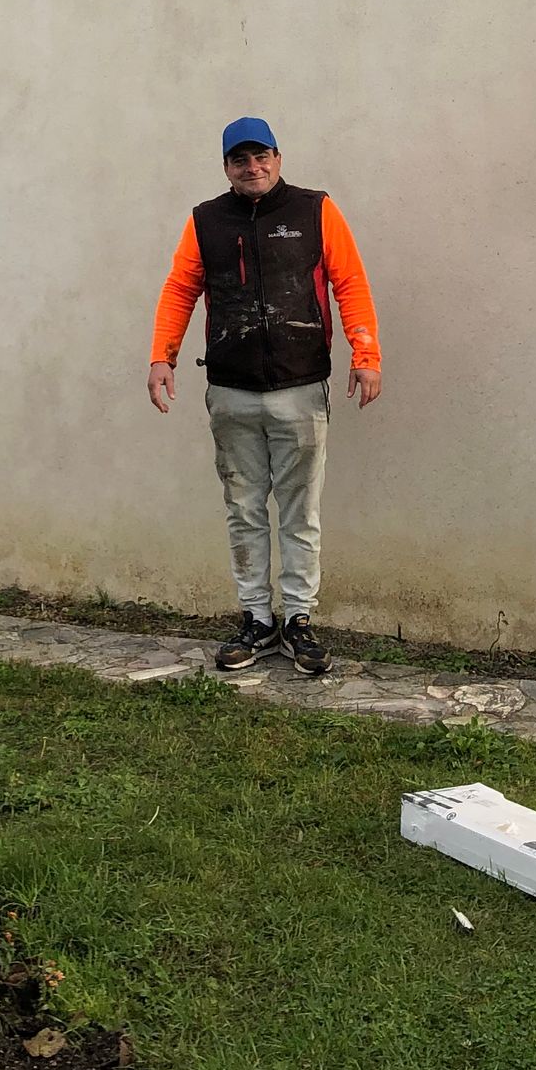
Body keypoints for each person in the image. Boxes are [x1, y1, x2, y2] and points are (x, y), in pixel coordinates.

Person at [148, 117, 381, 677]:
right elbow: (181, 287)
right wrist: (163, 355)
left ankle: (299, 620)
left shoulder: (314, 210)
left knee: (301, 512)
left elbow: (349, 282)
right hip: (230, 391)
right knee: (244, 509)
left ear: (278, 158)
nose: (252, 168)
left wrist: (366, 355)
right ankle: (256, 618)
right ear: (226, 166)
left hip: (301, 388)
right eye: (240, 160)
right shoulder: (206, 221)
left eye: (262, 156)